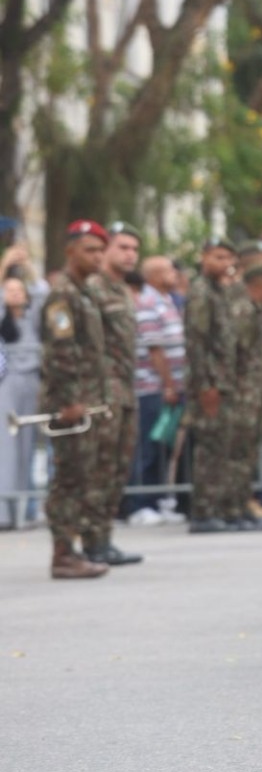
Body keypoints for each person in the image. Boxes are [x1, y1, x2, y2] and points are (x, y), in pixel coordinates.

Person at [39, 221, 113, 579]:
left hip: (86, 399)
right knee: (69, 478)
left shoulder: (84, 292)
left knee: (83, 476)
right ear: (70, 252)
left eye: (101, 250)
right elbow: (60, 350)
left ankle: (74, 549)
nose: (98, 257)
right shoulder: (62, 294)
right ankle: (62, 554)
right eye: (89, 250)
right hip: (67, 402)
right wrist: (69, 399)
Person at [81, 224, 144, 564]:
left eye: (134, 248)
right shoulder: (92, 289)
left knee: (117, 468)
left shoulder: (122, 290)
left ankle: (104, 538)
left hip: (125, 390)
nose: (130, 254)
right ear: (104, 250)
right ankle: (91, 540)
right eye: (122, 247)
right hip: (102, 392)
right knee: (99, 468)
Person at [184, 238, 245, 533]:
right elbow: (197, 341)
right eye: (218, 257)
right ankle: (203, 511)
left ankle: (219, 508)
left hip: (223, 380)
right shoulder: (200, 291)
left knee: (221, 446)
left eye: (229, 258)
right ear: (204, 257)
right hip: (209, 383)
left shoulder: (221, 291)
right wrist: (204, 384)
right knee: (208, 448)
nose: (225, 263)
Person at [127, 255, 186, 525]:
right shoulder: (149, 302)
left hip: (168, 385)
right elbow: (155, 349)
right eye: (168, 269)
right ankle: (142, 503)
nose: (174, 273)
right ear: (153, 275)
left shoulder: (167, 299)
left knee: (164, 444)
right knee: (149, 444)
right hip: (152, 385)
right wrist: (168, 383)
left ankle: (158, 496)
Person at [229, 261, 262, 527]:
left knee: (247, 454)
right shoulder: (244, 311)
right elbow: (234, 352)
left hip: (255, 390)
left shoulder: (260, 309)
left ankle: (241, 506)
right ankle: (232, 509)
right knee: (236, 453)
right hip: (241, 392)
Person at [1, 251, 46, 526]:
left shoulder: (31, 318)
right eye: (9, 289)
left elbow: (42, 294)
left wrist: (28, 267)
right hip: (7, 383)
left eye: (20, 290)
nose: (15, 294)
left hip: (33, 381)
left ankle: (22, 512)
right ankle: (3, 512)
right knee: (6, 446)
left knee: (28, 447)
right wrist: (5, 264)